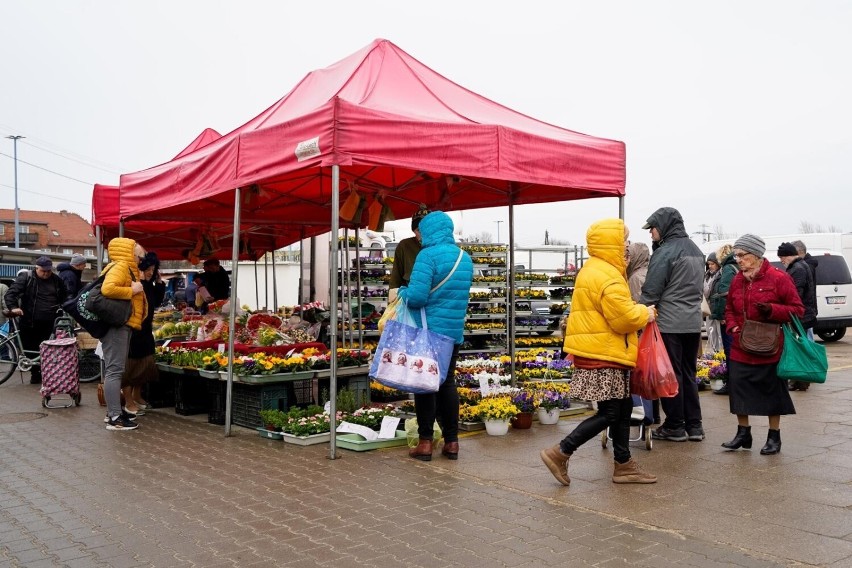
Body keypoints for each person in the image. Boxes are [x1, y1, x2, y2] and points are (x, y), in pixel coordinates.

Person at [540, 219, 657, 486]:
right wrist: (645, 313)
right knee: (611, 412)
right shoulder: (608, 274)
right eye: (623, 241)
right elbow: (623, 318)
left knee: (622, 407)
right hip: (606, 353)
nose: (626, 247)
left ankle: (624, 464)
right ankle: (560, 451)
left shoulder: (593, 268)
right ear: (612, 244)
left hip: (599, 350)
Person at [399, 211, 473, 461]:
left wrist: (402, 292)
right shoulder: (465, 258)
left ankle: (425, 443)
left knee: (424, 385)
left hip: (429, 332)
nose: (419, 237)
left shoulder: (426, 256)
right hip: (453, 334)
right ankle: (452, 442)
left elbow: (417, 297)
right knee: (447, 383)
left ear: (429, 230)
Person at [722, 234, 803, 455]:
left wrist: (773, 310)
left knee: (772, 392)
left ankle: (774, 436)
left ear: (756, 255)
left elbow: (797, 309)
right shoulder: (737, 279)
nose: (738, 260)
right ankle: (743, 433)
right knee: (738, 388)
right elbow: (729, 308)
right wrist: (733, 327)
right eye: (736, 255)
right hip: (741, 344)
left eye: (741, 255)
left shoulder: (779, 278)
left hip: (770, 346)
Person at [638, 207, 705, 442]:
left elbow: (652, 291)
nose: (651, 233)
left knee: (669, 374)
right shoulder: (696, 249)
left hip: (669, 324)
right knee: (688, 373)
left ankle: (675, 425)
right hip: (692, 323)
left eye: (653, 228)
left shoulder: (666, 252)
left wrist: (638, 315)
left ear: (664, 226)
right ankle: (694, 425)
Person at [101, 238, 148, 431]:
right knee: (115, 370)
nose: (139, 261)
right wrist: (132, 289)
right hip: (117, 325)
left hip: (122, 324)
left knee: (115, 369)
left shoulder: (123, 267)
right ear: (130, 254)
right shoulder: (120, 267)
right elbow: (108, 289)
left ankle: (114, 413)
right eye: (138, 257)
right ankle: (114, 417)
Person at [4, 256, 68, 384]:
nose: (46, 274)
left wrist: (63, 308)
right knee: (30, 347)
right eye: (43, 271)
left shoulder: (56, 280)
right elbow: (11, 293)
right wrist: (13, 307)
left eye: (48, 271)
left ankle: (42, 373)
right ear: (36, 268)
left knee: (45, 348)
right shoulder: (27, 277)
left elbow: (64, 296)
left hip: (49, 321)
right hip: (29, 320)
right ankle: (35, 373)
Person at [121, 252, 166, 414]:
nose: (150, 272)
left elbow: (158, 301)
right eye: (148, 268)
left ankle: (137, 395)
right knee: (129, 366)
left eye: (153, 269)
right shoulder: (134, 284)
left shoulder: (149, 285)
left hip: (146, 331)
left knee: (145, 364)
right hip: (131, 330)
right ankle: (128, 401)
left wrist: (160, 282)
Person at [778, 242, 817, 391]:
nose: (781, 260)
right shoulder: (799, 266)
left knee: (798, 348)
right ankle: (800, 380)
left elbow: (795, 295)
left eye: (782, 257)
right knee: (800, 347)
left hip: (800, 316)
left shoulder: (798, 269)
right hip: (803, 315)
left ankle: (799, 380)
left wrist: (787, 309)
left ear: (790, 255)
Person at [708, 243, 737, 395]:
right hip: (735, 316)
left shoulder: (727, 269)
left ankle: (731, 383)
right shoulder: (735, 267)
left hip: (728, 317)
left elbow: (724, 293)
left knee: (730, 350)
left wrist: (721, 315)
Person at [388, 204, 429, 303]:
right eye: (419, 230)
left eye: (426, 229)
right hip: (410, 301)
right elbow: (395, 279)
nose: (423, 234)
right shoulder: (405, 245)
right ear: (414, 231)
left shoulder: (439, 247)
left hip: (434, 302)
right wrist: (392, 305)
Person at [703, 252, 723, 355]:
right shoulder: (706, 275)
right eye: (709, 264)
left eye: (712, 264)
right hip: (708, 307)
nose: (710, 266)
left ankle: (721, 354)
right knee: (710, 331)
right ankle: (714, 353)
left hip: (717, 306)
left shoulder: (721, 274)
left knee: (719, 332)